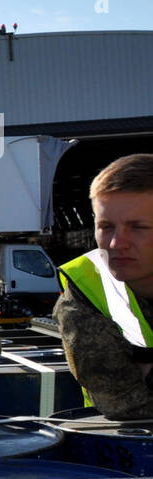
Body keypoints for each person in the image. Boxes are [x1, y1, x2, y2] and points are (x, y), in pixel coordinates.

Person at [56, 154, 153, 419]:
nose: (115, 243)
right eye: (106, 227)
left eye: (138, 227)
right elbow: (124, 403)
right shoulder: (88, 288)